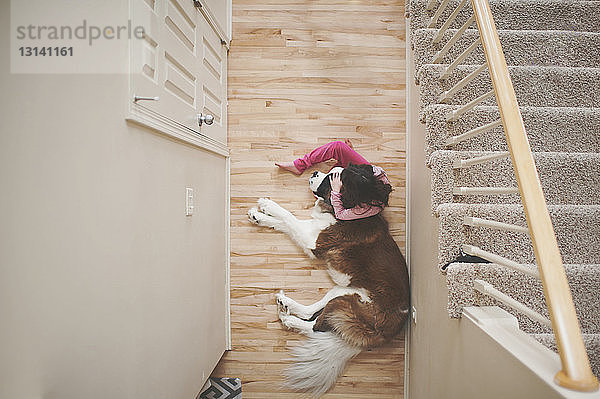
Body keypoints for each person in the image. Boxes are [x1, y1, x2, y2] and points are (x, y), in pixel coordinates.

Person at [276, 140, 392, 220]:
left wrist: (336, 192)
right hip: (358, 176)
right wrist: (351, 155)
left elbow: (340, 215)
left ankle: (339, 175)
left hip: (352, 194)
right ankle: (299, 165)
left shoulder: (367, 208)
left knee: (319, 192)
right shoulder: (377, 172)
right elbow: (356, 171)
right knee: (338, 146)